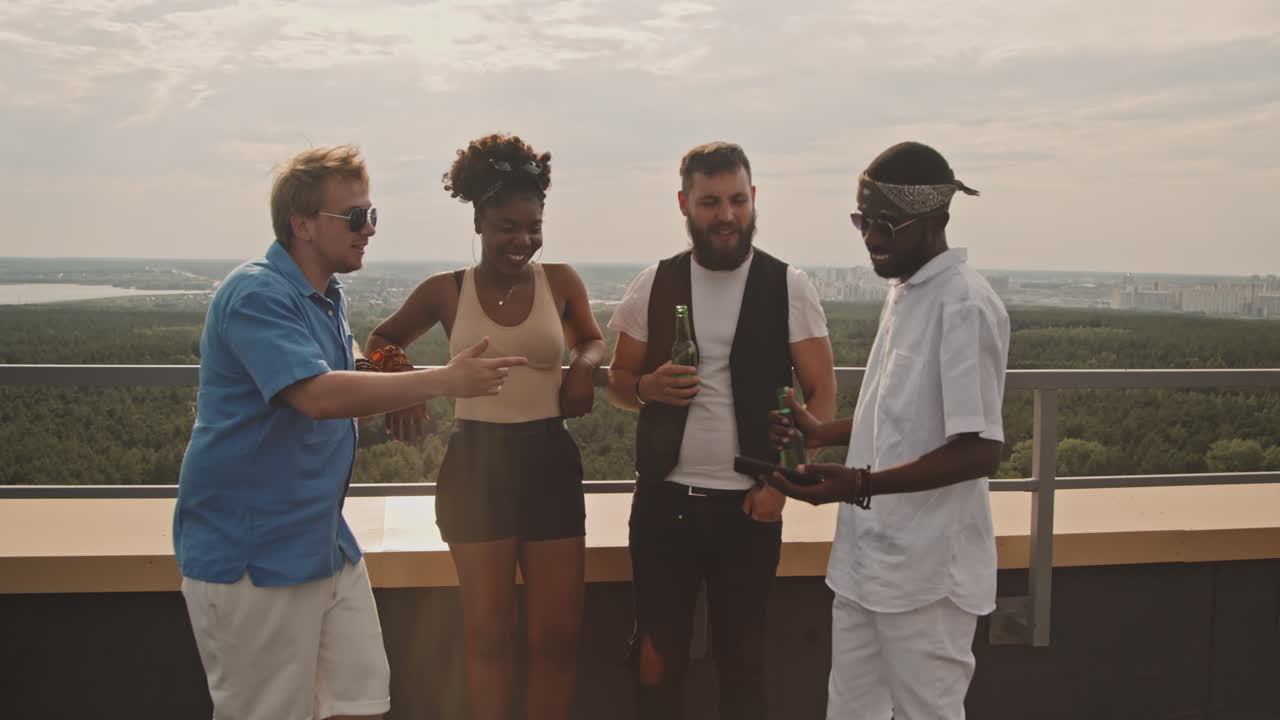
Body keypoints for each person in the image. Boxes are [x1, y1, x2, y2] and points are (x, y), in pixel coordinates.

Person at [174, 145, 526, 720]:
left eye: (372, 214)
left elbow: (345, 373)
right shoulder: (257, 294)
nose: (369, 229)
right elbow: (316, 395)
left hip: (320, 544)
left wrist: (393, 378)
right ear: (303, 224)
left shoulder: (325, 296)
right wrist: (442, 381)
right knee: (267, 709)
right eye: (356, 217)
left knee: (358, 698)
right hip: (253, 555)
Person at [766, 141, 1009, 720]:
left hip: (926, 577)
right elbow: (902, 414)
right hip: (865, 565)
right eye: (862, 221)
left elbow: (979, 449)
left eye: (887, 225)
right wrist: (825, 432)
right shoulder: (906, 290)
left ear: (937, 221)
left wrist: (857, 484)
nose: (872, 237)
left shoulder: (964, 304)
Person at [366, 133, 604, 720]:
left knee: (557, 638)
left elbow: (593, 339)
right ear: (477, 222)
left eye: (533, 226)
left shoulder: (562, 282)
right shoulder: (448, 290)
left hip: (549, 459)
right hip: (476, 466)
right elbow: (381, 340)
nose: (522, 240)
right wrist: (408, 389)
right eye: (506, 226)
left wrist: (583, 366)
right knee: (489, 637)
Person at [605, 141, 836, 720]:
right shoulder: (653, 284)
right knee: (655, 658)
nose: (726, 215)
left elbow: (822, 395)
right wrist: (645, 389)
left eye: (737, 200)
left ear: (753, 199)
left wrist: (783, 484)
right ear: (685, 204)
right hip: (664, 504)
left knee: (742, 663)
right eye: (711, 202)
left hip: (750, 508)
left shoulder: (789, 285)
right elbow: (618, 380)